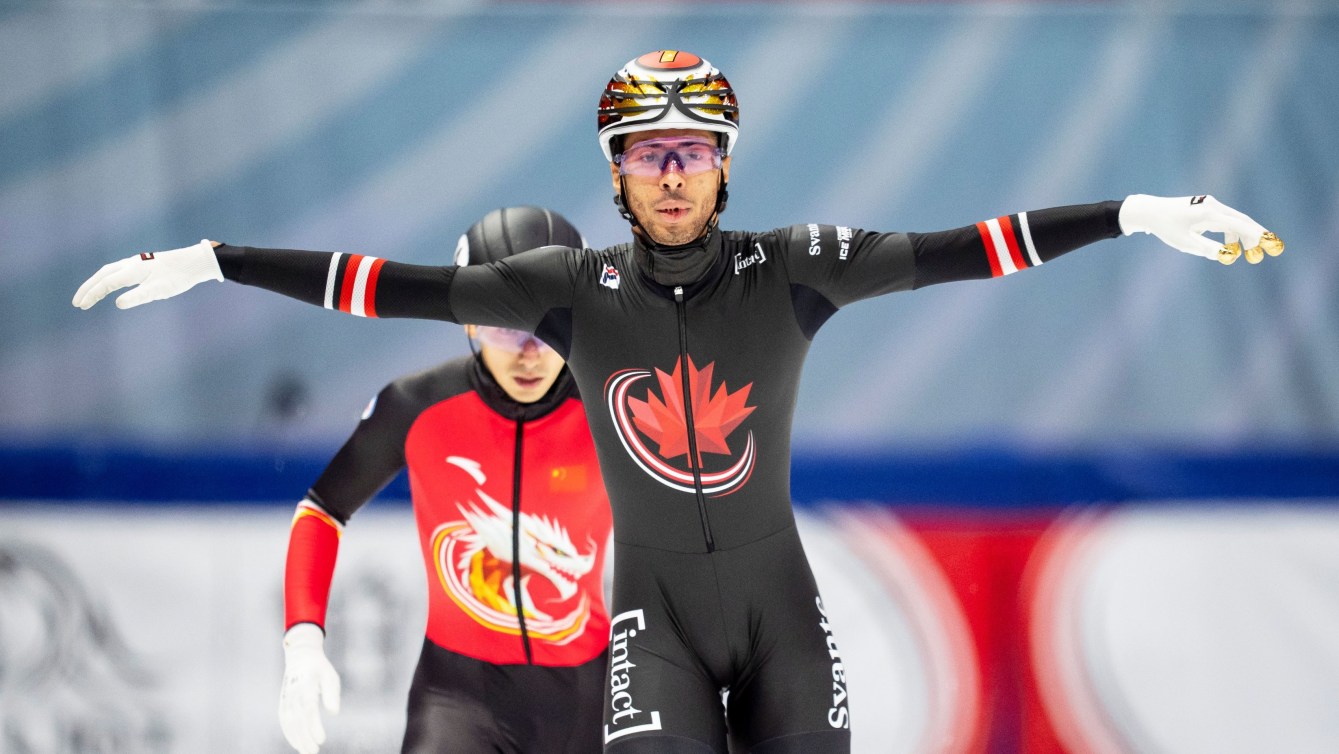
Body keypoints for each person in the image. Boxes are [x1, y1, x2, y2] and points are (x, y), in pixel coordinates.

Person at [73, 50, 1284, 754]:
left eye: (691, 149)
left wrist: (1131, 214)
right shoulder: (565, 291)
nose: (668, 172)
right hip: (644, 632)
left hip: (780, 615)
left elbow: (967, 246)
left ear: (725, 163)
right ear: (612, 173)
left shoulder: (797, 264)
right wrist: (220, 258)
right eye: (645, 153)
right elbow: (390, 289)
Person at [276, 206, 613, 754]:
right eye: (508, 326)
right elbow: (322, 511)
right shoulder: (417, 407)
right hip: (459, 700)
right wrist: (303, 641)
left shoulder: (614, 409)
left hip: (586, 699)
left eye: (548, 326)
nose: (529, 354)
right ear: (470, 321)